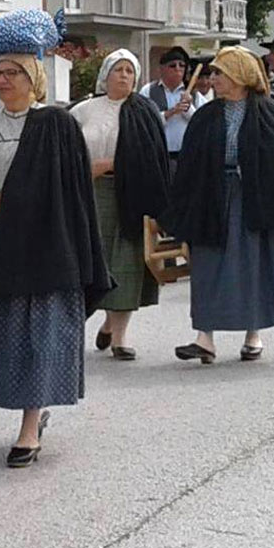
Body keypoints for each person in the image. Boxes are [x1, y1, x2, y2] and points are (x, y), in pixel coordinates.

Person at [0, 53, 108, 468]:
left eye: (12, 73)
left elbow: (75, 185)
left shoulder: (57, 125)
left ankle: (30, 424)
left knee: (37, 330)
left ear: (34, 79)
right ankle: (11, 397)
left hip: (45, 241)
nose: (2, 80)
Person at [165, 46, 274, 365]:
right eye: (213, 73)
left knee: (253, 266)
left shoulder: (267, 113)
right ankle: (205, 338)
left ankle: (253, 334)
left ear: (240, 76)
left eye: (219, 73)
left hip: (254, 201)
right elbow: (191, 161)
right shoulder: (207, 115)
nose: (213, 79)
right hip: (213, 198)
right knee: (208, 266)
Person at [73, 50, 170, 360]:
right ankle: (104, 320)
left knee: (126, 262)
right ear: (106, 75)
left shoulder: (146, 111)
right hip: (91, 191)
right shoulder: (83, 111)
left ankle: (119, 335)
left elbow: (155, 157)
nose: (125, 75)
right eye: (119, 70)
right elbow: (66, 152)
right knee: (95, 259)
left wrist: (117, 163)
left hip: (133, 194)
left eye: (130, 70)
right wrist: (90, 168)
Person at [140, 46, 205, 170]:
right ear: (161, 69)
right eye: (172, 65)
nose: (178, 69)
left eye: (181, 65)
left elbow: (202, 124)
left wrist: (188, 108)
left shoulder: (194, 95)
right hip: (158, 156)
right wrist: (171, 113)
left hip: (187, 157)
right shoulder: (148, 91)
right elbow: (145, 122)